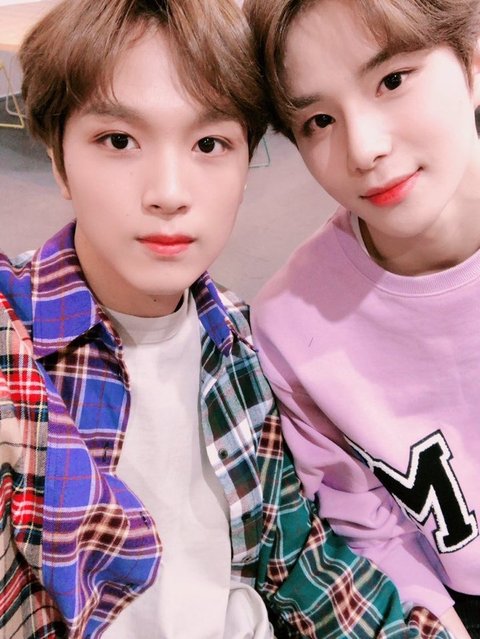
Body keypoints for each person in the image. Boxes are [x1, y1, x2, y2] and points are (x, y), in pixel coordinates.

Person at [0, 0, 456, 637]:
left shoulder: (240, 341)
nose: (169, 192)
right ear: (58, 160)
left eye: (210, 144)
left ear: (246, 168)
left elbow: (300, 564)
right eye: (119, 141)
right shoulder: (15, 348)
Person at [246, 0, 480, 637]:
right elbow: (366, 519)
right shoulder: (291, 324)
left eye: (392, 80)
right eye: (319, 120)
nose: (365, 149)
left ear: (471, 60)